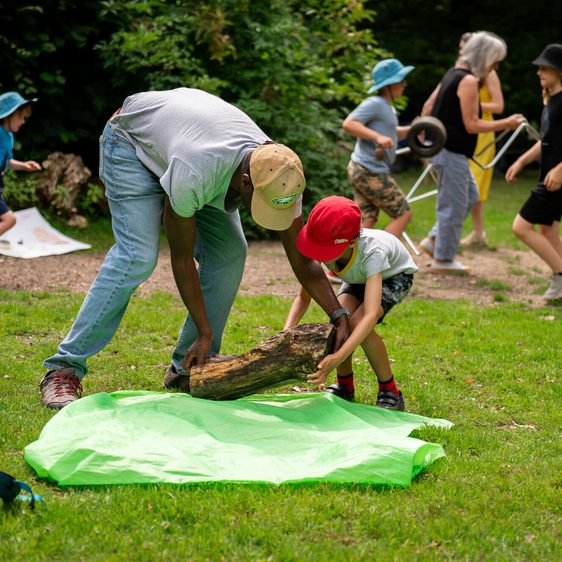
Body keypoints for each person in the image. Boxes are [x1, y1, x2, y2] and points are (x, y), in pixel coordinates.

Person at [39, 88, 351, 410]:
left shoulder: (282, 174)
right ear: (245, 182)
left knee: (231, 252)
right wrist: (205, 330)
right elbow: (182, 258)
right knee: (137, 257)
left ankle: (186, 369)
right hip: (130, 141)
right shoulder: (197, 171)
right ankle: (64, 368)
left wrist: (339, 314)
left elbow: (302, 260)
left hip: (186, 145)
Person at [292, 195, 418, 410]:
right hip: (358, 275)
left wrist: (338, 356)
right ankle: (345, 386)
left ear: (351, 242)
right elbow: (305, 295)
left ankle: (390, 391)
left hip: (392, 276)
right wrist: (287, 331)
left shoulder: (373, 252)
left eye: (325, 252)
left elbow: (369, 315)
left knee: (360, 324)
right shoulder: (326, 244)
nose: (321, 256)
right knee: (340, 322)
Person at [419, 31, 524, 273]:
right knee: (453, 206)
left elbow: (429, 106)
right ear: (485, 57)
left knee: (470, 196)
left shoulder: (453, 74)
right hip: (450, 151)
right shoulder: (467, 81)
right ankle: (443, 260)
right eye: (495, 60)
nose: (496, 66)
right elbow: (472, 124)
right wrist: (506, 123)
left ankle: (434, 240)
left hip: (451, 151)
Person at [505, 44, 562, 301]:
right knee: (547, 231)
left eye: (544, 68)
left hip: (557, 178)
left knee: (521, 227)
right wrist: (521, 162)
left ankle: (560, 276)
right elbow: (546, 140)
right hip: (550, 177)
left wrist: (560, 169)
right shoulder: (550, 100)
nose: (539, 72)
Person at [342, 58, 414, 237]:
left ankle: (348, 261)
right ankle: (382, 258)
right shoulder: (374, 103)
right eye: (401, 80)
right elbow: (349, 124)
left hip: (361, 168)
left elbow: (391, 133)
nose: (404, 84)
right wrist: (377, 137)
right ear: (389, 85)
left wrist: (414, 129)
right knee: (403, 213)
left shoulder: (387, 108)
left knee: (368, 219)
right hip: (369, 170)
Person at [458, 33, 506, 247]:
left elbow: (498, 106)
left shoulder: (489, 73)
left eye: (464, 47)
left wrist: (471, 102)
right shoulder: (465, 72)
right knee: (468, 185)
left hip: (483, 132)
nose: (461, 51)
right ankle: (479, 234)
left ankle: (447, 234)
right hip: (466, 129)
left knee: (474, 184)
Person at [0, 92, 41, 246]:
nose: (23, 121)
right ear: (7, 116)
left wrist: (24, 166)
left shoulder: (8, 137)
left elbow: (7, 162)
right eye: (20, 117)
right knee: (9, 219)